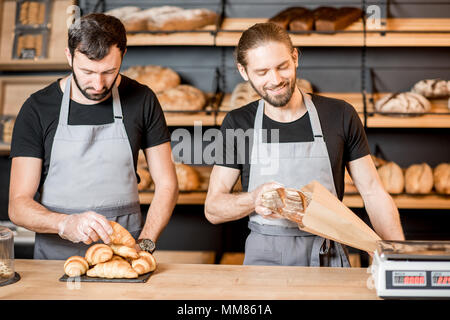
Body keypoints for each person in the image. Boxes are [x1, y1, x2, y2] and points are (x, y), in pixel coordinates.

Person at [205, 23, 404, 267]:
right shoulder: (238, 122)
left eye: (282, 67)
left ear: (295, 57)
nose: (275, 80)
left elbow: (373, 192)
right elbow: (213, 208)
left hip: (327, 251)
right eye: (262, 72)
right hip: (265, 259)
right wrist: (254, 199)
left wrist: (396, 254)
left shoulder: (339, 114)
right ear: (243, 72)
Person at [8, 13, 178, 260]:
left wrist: (145, 244)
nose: (98, 84)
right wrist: (65, 224)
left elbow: (167, 184)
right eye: (87, 71)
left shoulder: (142, 99)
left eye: (109, 71)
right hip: (57, 260)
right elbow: (18, 205)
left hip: (125, 254)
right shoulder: (38, 108)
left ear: (123, 56)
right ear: (69, 57)